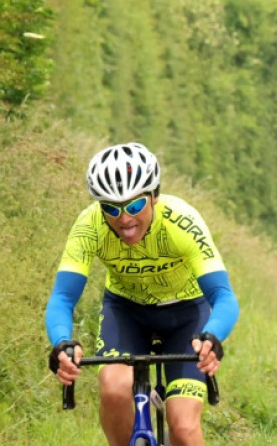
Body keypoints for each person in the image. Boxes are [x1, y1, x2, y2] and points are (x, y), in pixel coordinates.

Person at [45, 142, 240, 446]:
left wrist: (212, 337)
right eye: (111, 208)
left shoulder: (182, 222)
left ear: (154, 197)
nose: (124, 219)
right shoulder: (89, 227)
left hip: (186, 313)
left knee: (184, 428)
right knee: (112, 388)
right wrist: (61, 344)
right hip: (127, 311)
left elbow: (223, 296)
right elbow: (63, 298)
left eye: (134, 206)